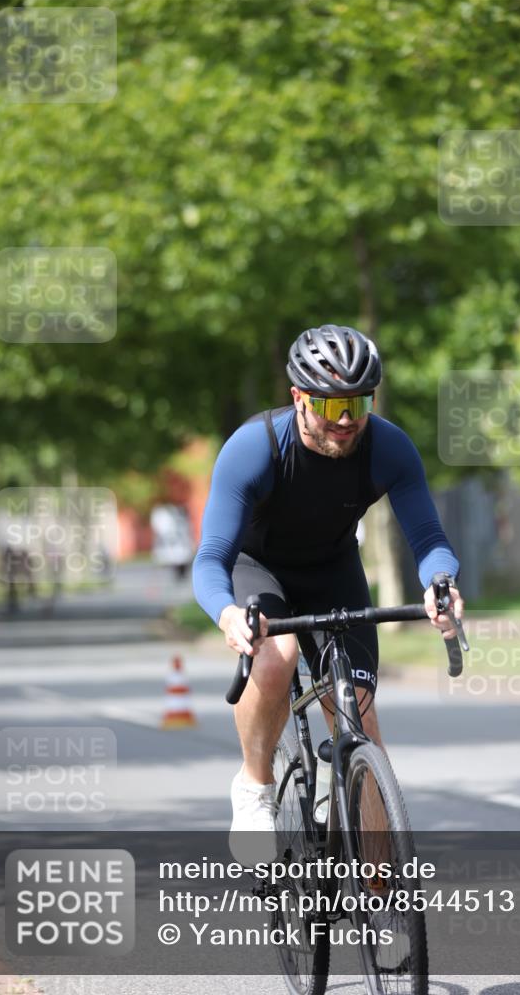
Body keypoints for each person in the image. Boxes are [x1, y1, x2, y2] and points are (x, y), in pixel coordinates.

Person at [193, 325, 463, 839]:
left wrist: (440, 583)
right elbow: (210, 558)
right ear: (298, 397)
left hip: (333, 568)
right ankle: (254, 786)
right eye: (330, 406)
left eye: (357, 406)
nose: (345, 422)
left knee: (359, 720)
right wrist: (229, 614)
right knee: (277, 660)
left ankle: (384, 894)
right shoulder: (255, 448)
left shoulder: (389, 448)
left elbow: (428, 538)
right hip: (259, 567)